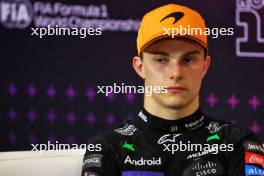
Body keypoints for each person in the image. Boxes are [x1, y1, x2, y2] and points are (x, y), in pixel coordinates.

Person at [81, 4, 264, 176]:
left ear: (205, 66)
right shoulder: (108, 147)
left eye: (188, 60)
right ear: (140, 67)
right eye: (161, 60)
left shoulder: (237, 143)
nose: (176, 73)